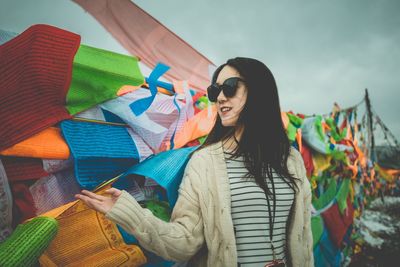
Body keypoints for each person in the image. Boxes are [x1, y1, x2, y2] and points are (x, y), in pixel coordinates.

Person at [76, 57, 314, 267]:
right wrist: (132, 215)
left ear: (260, 91)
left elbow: (303, 240)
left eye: (229, 87)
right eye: (215, 91)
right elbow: (184, 243)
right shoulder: (205, 162)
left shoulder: (291, 160)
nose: (220, 97)